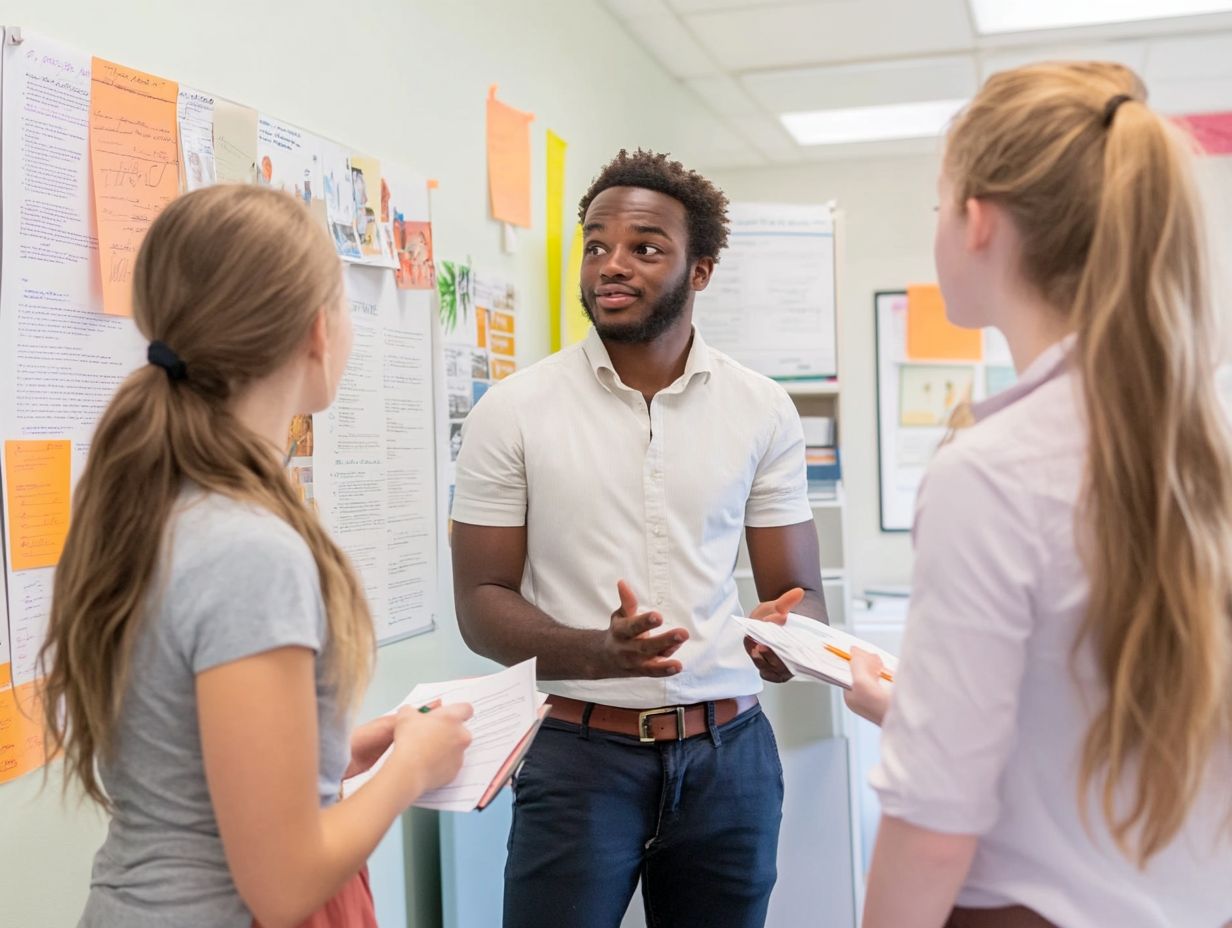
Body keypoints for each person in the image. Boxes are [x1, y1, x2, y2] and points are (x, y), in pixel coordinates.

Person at [836, 63, 1232, 927]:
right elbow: (1114, 704)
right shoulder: (1208, 426)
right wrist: (909, 709)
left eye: (937, 202)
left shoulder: (992, 469)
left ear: (977, 222)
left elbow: (934, 825)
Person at [39, 184, 473, 928]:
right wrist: (412, 768)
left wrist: (336, 755)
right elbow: (283, 883)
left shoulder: (158, 502)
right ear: (316, 331)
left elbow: (183, 753)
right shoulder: (248, 548)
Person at [451, 149, 827, 928]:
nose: (611, 265)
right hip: (579, 757)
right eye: (596, 245)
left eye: (645, 247)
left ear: (701, 271)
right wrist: (601, 652)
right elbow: (480, 604)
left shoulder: (761, 410)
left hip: (731, 758)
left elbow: (799, 594)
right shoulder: (513, 411)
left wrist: (787, 644)